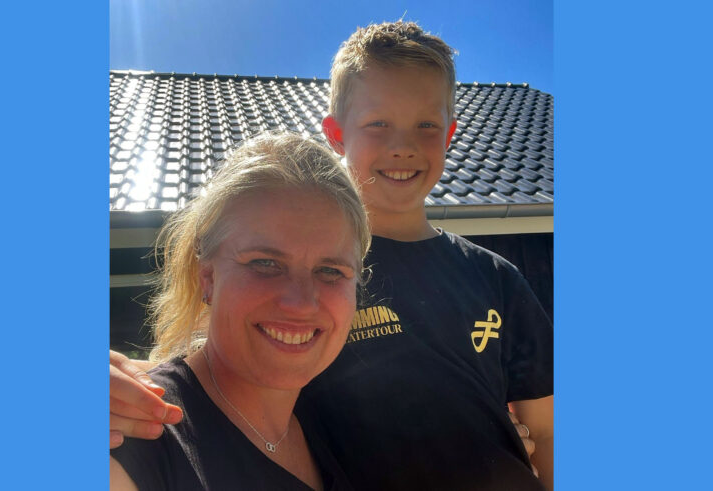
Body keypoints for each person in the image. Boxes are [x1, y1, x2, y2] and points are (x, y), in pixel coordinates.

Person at [111, 21, 554, 490]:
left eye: (426, 125)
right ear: (336, 133)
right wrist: (124, 384)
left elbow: (545, 430)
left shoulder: (496, 276)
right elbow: (210, 372)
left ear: (450, 134)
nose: (402, 146)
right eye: (378, 123)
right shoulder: (305, 276)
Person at [110, 132, 371, 490]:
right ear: (207, 278)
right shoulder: (135, 433)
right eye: (265, 263)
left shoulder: (334, 423)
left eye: (330, 271)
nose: (300, 303)